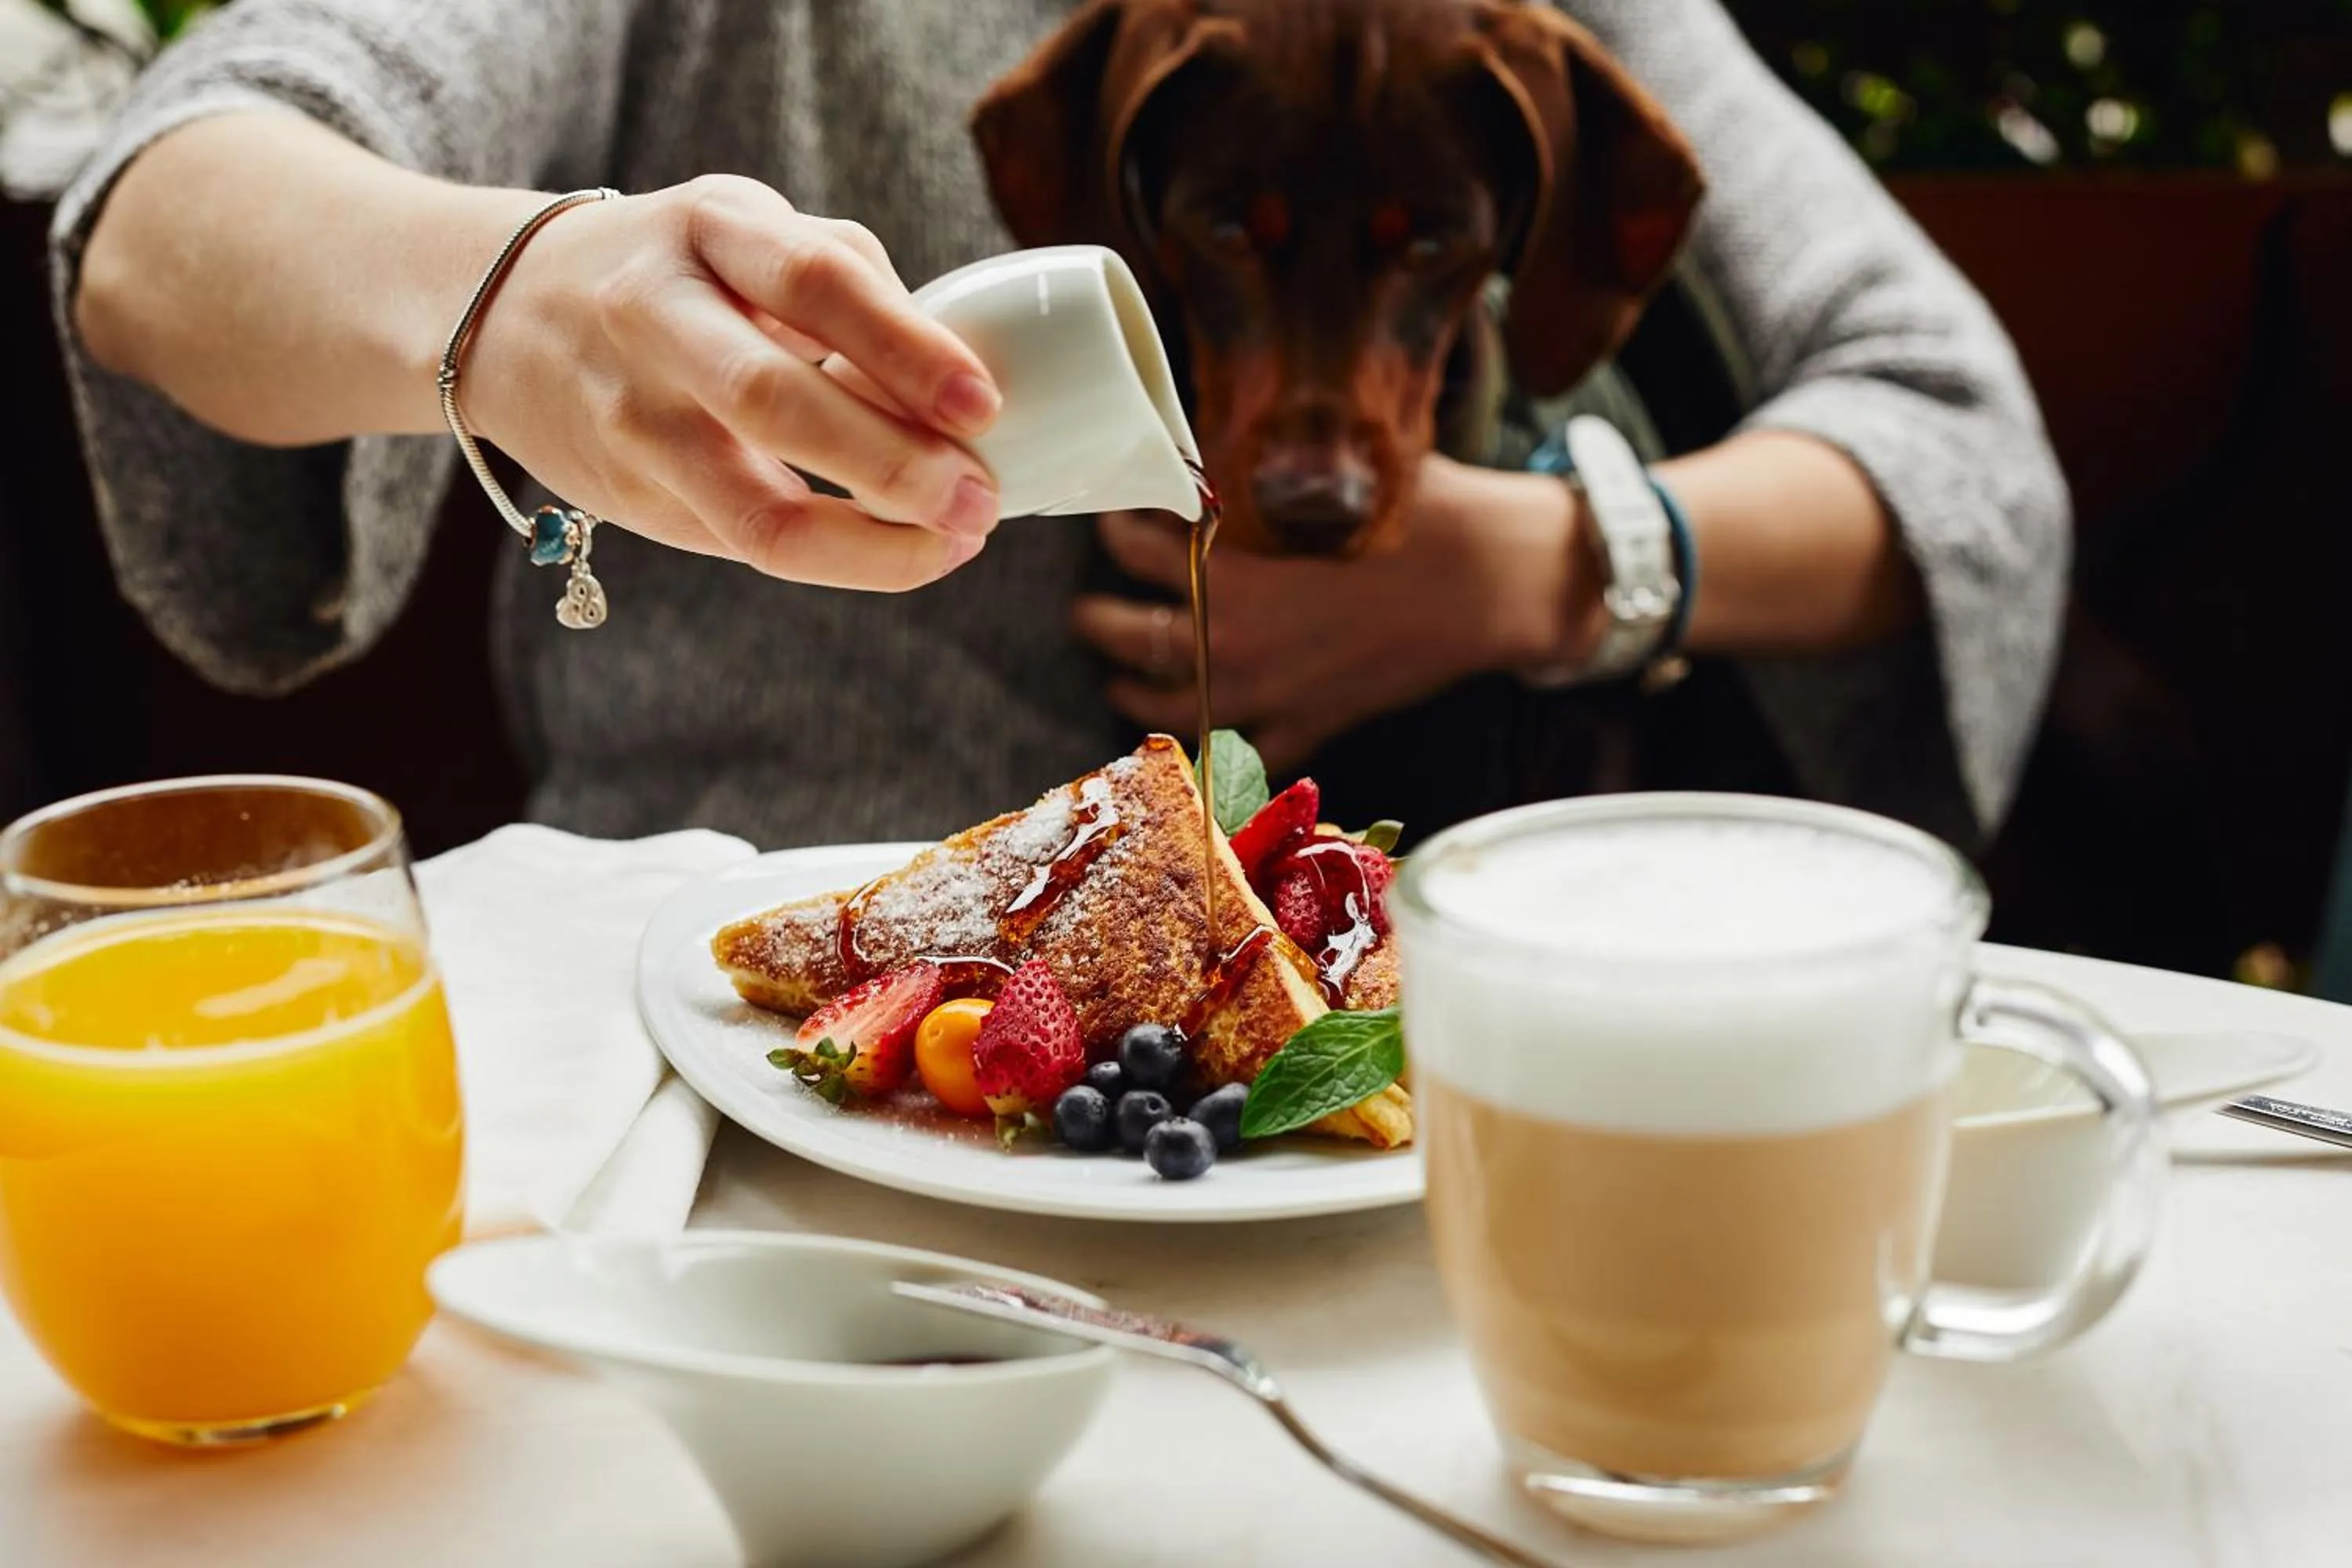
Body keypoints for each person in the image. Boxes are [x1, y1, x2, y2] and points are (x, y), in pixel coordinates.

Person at [50, 0, 2066, 851]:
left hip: (1359, 1111)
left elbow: (1968, 447)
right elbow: (165, 209)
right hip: (737, 1045)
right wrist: (510, 296)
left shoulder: (1520, 26)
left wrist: (1522, 572)